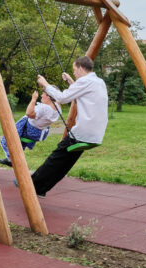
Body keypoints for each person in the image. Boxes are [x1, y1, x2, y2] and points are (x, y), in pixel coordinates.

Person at [26, 56, 108, 197]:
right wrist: (71, 81)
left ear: (81, 68)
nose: (75, 73)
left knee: (56, 158)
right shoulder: (98, 82)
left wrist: (45, 84)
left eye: (75, 70)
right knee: (64, 162)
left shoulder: (84, 81)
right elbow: (82, 93)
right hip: (95, 136)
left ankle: (32, 186)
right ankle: (40, 188)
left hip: (82, 134)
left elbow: (63, 98)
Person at [0, 89, 60, 167]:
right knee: (19, 145)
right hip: (40, 133)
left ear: (49, 97)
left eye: (43, 94)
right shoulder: (57, 108)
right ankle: (13, 159)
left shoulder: (44, 108)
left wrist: (33, 99)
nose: (41, 95)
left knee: (7, 139)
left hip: (30, 131)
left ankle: (11, 159)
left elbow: (29, 113)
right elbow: (59, 99)